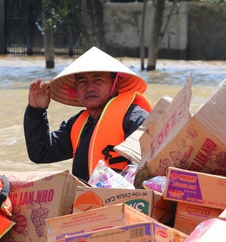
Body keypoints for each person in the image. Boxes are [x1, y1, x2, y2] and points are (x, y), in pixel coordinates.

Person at [24, 46, 151, 181]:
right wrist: (36, 111)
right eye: (83, 81)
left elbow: (150, 170)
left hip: (122, 200)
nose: (89, 87)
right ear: (76, 89)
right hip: (84, 199)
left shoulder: (135, 119)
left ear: (116, 84)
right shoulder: (77, 124)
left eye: (98, 80)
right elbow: (41, 153)